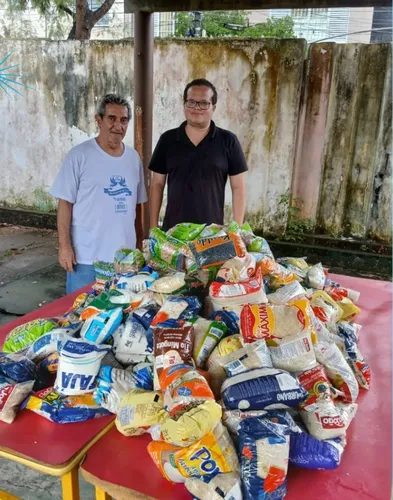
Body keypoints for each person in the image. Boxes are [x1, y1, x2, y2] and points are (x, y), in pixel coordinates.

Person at [51, 94, 147, 294]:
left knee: (121, 315)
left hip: (125, 259)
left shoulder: (133, 158)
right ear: (99, 120)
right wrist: (64, 246)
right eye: (112, 118)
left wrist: (139, 244)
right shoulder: (79, 156)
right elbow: (65, 204)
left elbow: (137, 205)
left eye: (123, 120)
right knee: (81, 316)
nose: (118, 126)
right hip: (86, 258)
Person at [148, 78, 248, 231]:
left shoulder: (228, 141)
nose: (197, 107)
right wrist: (153, 227)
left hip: (211, 234)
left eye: (204, 103)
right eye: (191, 102)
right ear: (184, 105)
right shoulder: (167, 140)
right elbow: (157, 185)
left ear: (213, 107)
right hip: (173, 233)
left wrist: (237, 229)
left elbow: (238, 187)